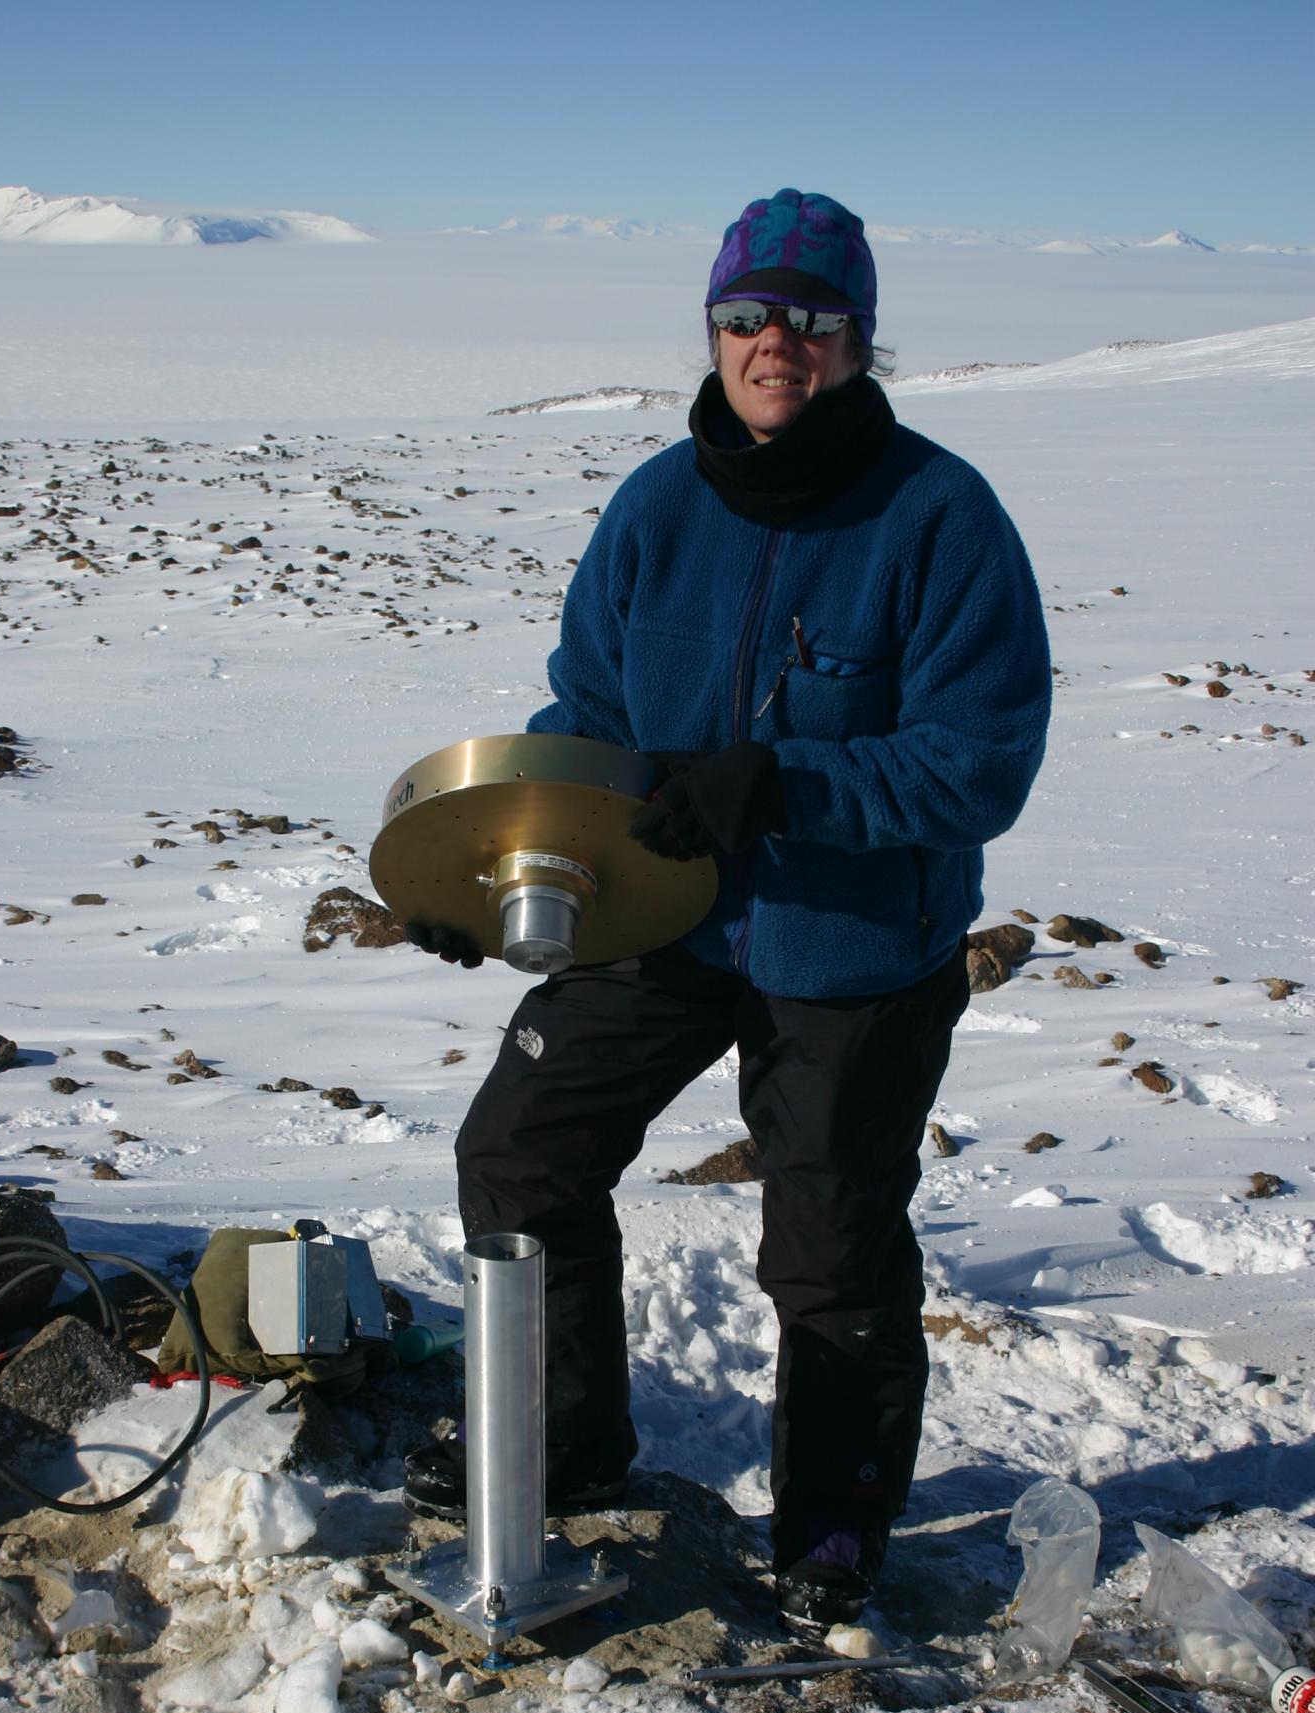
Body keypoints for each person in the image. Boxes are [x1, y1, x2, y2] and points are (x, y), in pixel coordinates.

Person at [404, 188, 1050, 1632]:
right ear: (713, 331)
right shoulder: (657, 506)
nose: (778, 345)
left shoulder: (939, 519)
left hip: (853, 950)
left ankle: (831, 1524)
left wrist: (787, 784)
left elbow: (979, 764)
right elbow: (586, 717)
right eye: (749, 316)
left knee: (827, 1246)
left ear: (860, 340)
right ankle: (561, 1445)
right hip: (663, 919)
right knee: (521, 1148)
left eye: (813, 320)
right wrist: (496, 870)